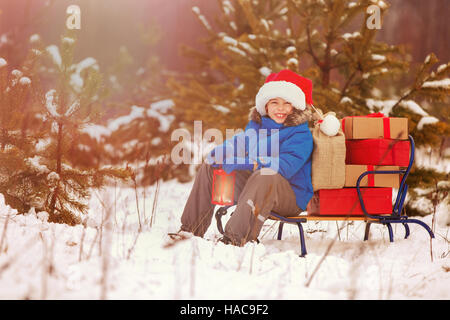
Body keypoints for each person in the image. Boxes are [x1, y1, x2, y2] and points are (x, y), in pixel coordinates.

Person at [171, 69, 315, 246]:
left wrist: (251, 163)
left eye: (287, 103)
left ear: (295, 107)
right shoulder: (257, 126)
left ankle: (236, 238)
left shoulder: (300, 134)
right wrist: (223, 152)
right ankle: (190, 230)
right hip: (255, 187)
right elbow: (239, 142)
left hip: (289, 195)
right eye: (274, 102)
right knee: (211, 168)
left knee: (265, 175)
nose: (280, 108)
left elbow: (286, 166)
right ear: (266, 106)